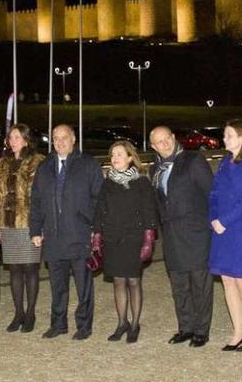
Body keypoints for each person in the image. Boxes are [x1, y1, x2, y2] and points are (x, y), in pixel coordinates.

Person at [30, 124, 103, 340]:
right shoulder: (44, 167)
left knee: (84, 286)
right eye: (55, 138)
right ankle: (58, 323)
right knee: (57, 285)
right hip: (53, 237)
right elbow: (36, 202)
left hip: (80, 235)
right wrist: (35, 230)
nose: (60, 142)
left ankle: (84, 325)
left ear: (73, 139)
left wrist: (95, 229)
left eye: (64, 137)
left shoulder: (88, 165)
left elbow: (99, 199)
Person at [149, 126, 214, 348]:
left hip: (196, 233)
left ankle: (201, 330)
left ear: (174, 137)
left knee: (200, 284)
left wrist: (212, 225)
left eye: (167, 138)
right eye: (159, 141)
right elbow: (159, 204)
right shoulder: (154, 170)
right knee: (179, 284)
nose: (164, 143)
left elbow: (211, 193)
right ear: (153, 146)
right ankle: (185, 327)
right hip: (172, 235)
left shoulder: (193, 161)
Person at [93, 141, 157, 343]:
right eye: (113, 155)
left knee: (133, 281)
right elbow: (99, 210)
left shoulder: (141, 182)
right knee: (118, 281)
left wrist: (148, 239)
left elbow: (149, 211)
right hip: (112, 238)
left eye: (120, 154)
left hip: (134, 238)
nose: (115, 158)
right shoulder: (107, 182)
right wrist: (96, 235)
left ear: (130, 157)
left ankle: (135, 324)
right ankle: (122, 322)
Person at [208, 119, 242, 352]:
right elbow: (214, 193)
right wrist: (213, 218)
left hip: (241, 228)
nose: (224, 138)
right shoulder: (223, 163)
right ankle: (238, 330)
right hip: (220, 228)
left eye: (229, 135)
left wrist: (225, 220)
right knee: (227, 280)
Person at [0, 124, 45, 333]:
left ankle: (30, 313)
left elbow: (41, 197)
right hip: (7, 224)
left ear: (26, 139)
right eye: (10, 137)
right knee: (14, 271)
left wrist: (41, 226)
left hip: (29, 224)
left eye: (17, 137)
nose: (13, 141)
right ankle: (18, 313)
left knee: (30, 269)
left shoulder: (38, 162)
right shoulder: (2, 164)